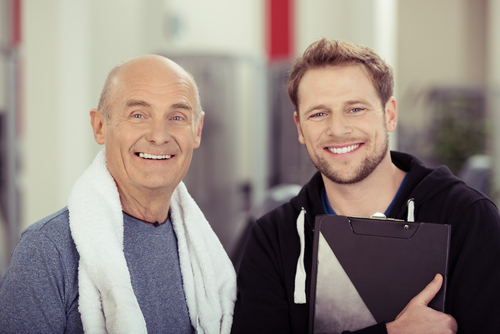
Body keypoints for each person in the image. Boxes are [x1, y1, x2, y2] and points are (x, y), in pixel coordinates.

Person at [232, 39, 500, 333]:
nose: (337, 129)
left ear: (390, 114)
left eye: (356, 109)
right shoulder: (274, 237)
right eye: (319, 113)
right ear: (299, 127)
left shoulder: (468, 218)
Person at [0, 55, 236, 333]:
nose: (159, 136)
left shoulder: (205, 253)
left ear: (197, 131)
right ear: (100, 126)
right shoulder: (46, 252)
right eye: (138, 115)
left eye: (177, 117)